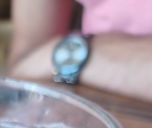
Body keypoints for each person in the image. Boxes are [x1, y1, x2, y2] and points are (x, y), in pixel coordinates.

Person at [8, 0, 152, 102]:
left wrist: (67, 55)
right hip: (87, 104)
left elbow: (36, 61)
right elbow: (26, 64)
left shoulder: (57, 54)